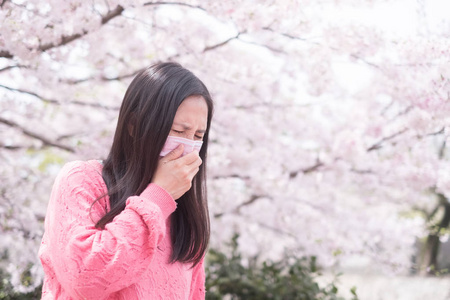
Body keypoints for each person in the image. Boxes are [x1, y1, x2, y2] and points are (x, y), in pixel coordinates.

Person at [38, 62, 214, 299]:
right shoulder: (83, 181)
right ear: (134, 125)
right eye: (178, 131)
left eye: (198, 136)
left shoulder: (185, 217)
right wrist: (158, 195)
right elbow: (85, 277)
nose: (187, 146)